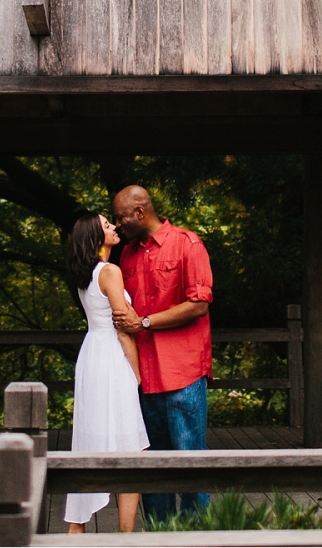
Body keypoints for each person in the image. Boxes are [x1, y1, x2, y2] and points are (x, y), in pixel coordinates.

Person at [110, 185, 214, 523]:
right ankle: (160, 538)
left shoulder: (188, 244)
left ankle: (199, 542)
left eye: (120, 218)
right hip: (142, 377)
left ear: (139, 213)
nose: (118, 225)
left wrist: (144, 322)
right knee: (152, 468)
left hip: (182, 374)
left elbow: (199, 304)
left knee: (190, 463)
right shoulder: (126, 255)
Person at [63, 212, 148, 534]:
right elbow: (125, 326)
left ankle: (76, 526)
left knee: (91, 439)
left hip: (92, 355)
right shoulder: (110, 271)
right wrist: (136, 375)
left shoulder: (86, 274)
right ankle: (125, 536)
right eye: (107, 225)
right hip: (112, 357)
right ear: (97, 237)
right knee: (131, 450)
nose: (114, 227)